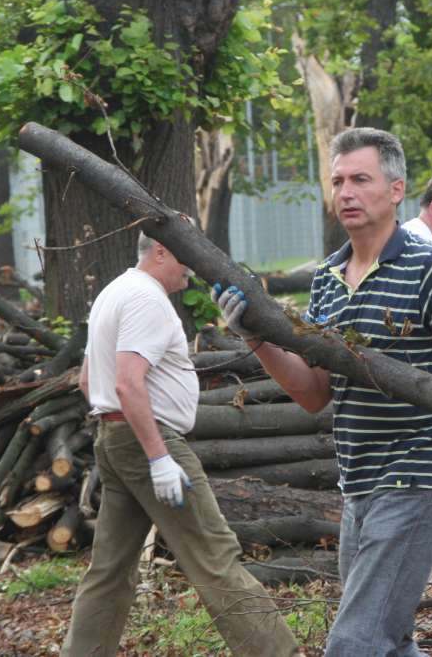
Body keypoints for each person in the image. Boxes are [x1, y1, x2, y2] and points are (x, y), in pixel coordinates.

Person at [212, 128, 432, 656]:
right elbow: (314, 394)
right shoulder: (327, 278)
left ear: (396, 190)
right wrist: (254, 336)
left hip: (419, 478)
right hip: (359, 483)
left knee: (355, 643)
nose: (346, 192)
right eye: (337, 181)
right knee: (389, 643)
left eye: (360, 179)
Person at [61, 233, 300, 657]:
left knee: (110, 571)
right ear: (161, 251)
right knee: (215, 555)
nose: (192, 265)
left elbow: (86, 380)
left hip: (115, 438)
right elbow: (127, 383)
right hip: (149, 441)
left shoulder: (114, 292)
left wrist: (123, 435)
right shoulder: (146, 299)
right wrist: (158, 457)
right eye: (185, 253)